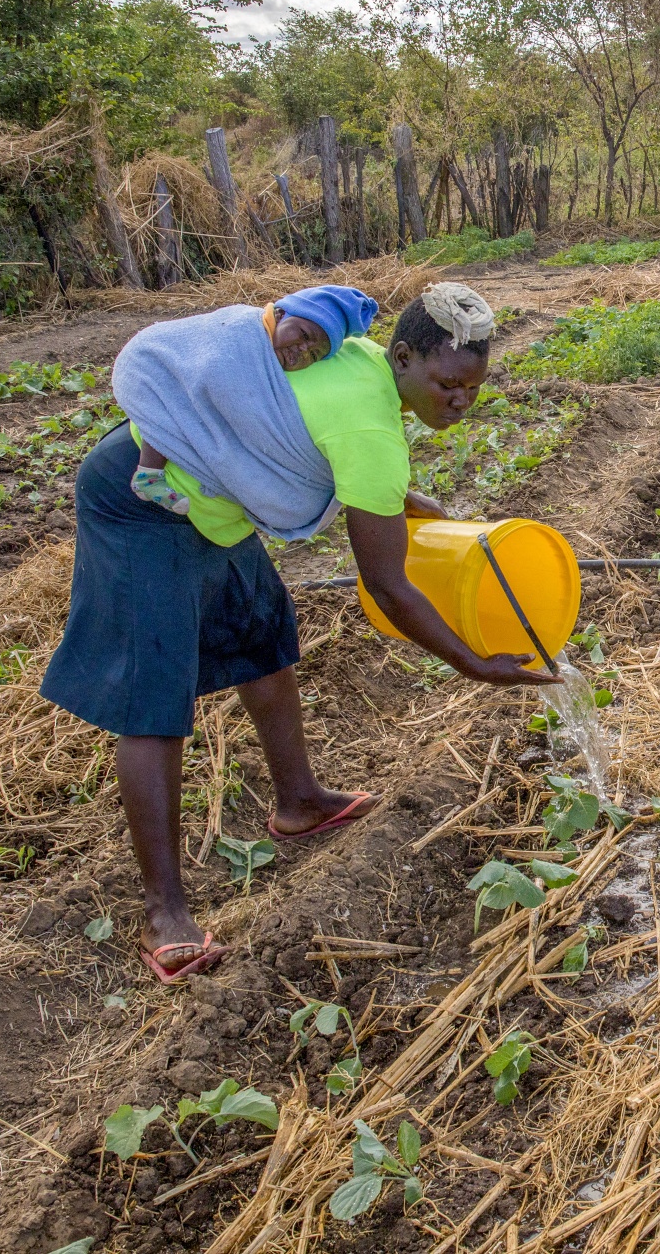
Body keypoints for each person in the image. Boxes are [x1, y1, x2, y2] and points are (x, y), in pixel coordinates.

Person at [42, 281, 552, 983]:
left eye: (473, 388)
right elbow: (389, 587)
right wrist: (472, 662)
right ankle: (165, 913)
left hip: (211, 495)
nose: (460, 401)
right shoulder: (372, 426)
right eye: (448, 383)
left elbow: (321, 425)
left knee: (263, 635)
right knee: (154, 698)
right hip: (142, 499)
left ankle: (300, 801)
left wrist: (402, 496)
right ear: (402, 357)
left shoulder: (369, 367)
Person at [130, 287, 370, 514]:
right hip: (170, 375)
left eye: (315, 354)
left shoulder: (273, 362)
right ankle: (148, 474)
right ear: (280, 313)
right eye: (304, 335)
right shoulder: (243, 330)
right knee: (170, 402)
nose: (303, 350)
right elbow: (210, 367)